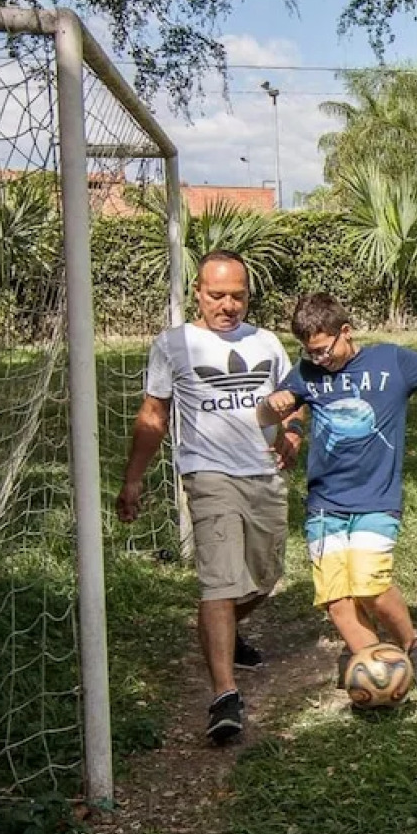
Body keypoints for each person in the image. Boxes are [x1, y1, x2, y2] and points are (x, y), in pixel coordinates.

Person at [257, 278, 417, 699]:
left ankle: (415, 645)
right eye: (310, 352)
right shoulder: (307, 372)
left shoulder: (390, 362)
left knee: (370, 586)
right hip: (324, 503)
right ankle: (377, 670)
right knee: (336, 597)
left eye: (325, 348)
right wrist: (273, 412)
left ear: (347, 331)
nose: (319, 359)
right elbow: (274, 412)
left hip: (375, 499)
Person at [116, 250, 302, 744]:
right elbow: (154, 415)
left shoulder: (266, 343)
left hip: (263, 473)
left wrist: (295, 431)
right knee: (219, 582)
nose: (228, 305)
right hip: (207, 474)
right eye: (217, 295)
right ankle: (225, 695)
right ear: (198, 292)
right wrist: (134, 478)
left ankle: (222, 631)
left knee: (265, 577)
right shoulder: (174, 345)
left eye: (237, 295)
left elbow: (291, 401)